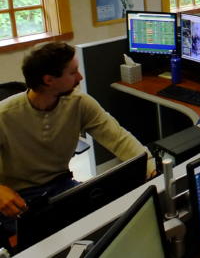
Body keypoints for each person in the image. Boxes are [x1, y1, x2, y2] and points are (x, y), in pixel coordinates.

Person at [0, 42, 156, 222]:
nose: (80, 77)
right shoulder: (5, 114)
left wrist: (150, 167)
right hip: (17, 197)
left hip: (61, 185)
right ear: (49, 80)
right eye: (73, 72)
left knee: (106, 222)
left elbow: (118, 138)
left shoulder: (79, 103)